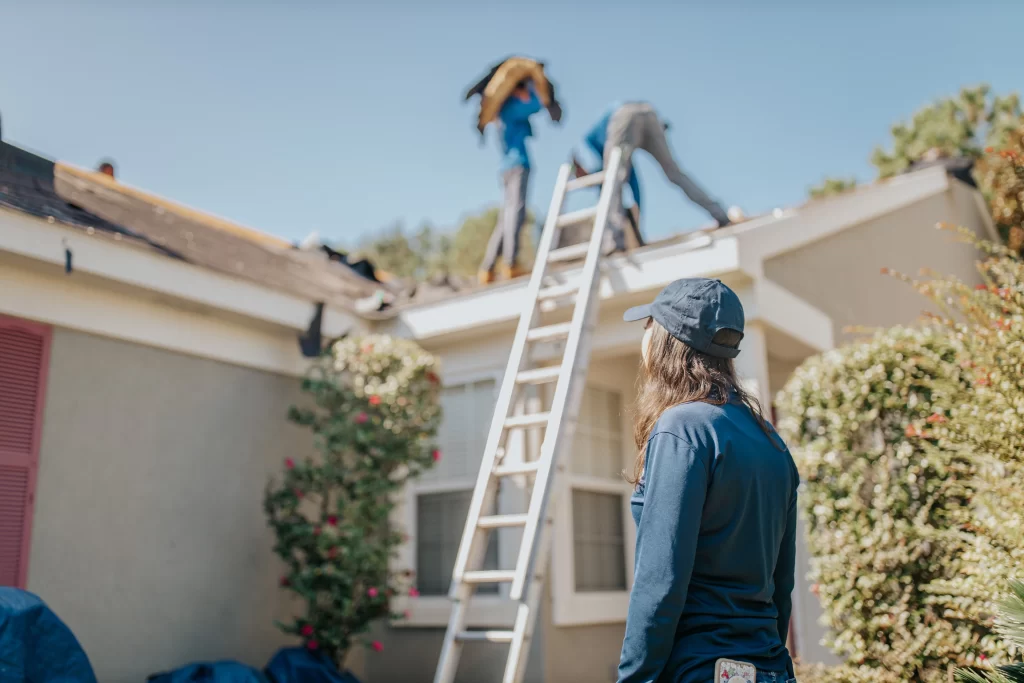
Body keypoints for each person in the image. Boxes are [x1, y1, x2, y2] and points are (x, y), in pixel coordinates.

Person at [617, 278, 799, 683]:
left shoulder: (681, 428)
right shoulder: (771, 442)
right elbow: (780, 588)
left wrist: (634, 677)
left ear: (668, 340)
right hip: (769, 669)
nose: (644, 335)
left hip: (697, 669)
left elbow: (660, 583)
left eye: (649, 325)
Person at [584, 102, 731, 250]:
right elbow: (634, 182)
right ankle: (720, 214)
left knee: (613, 182)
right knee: (674, 173)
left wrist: (637, 214)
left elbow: (622, 181)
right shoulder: (600, 137)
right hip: (649, 112)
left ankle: (613, 243)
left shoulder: (595, 140)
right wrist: (638, 214)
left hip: (624, 115)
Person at [478, 80, 549, 284]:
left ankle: (488, 268)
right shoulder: (510, 108)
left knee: (506, 217)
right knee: (516, 213)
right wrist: (530, 89)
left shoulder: (501, 113)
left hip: (506, 167)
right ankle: (510, 263)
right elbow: (536, 104)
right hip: (518, 165)